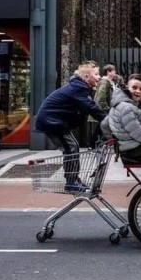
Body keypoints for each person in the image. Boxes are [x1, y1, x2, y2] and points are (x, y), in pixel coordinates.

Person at [35, 61, 107, 192]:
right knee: (71, 147)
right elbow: (92, 108)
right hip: (51, 122)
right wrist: (107, 120)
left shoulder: (79, 87)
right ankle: (71, 182)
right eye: (96, 74)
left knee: (72, 147)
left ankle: (73, 179)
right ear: (86, 77)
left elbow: (90, 107)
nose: (99, 77)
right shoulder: (78, 88)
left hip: (55, 121)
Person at [87, 64, 117, 147]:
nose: (115, 72)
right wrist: (106, 108)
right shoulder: (104, 82)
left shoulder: (111, 82)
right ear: (108, 71)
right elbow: (101, 96)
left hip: (106, 109)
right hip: (103, 110)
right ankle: (94, 144)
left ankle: (96, 144)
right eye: (113, 71)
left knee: (101, 127)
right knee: (101, 127)